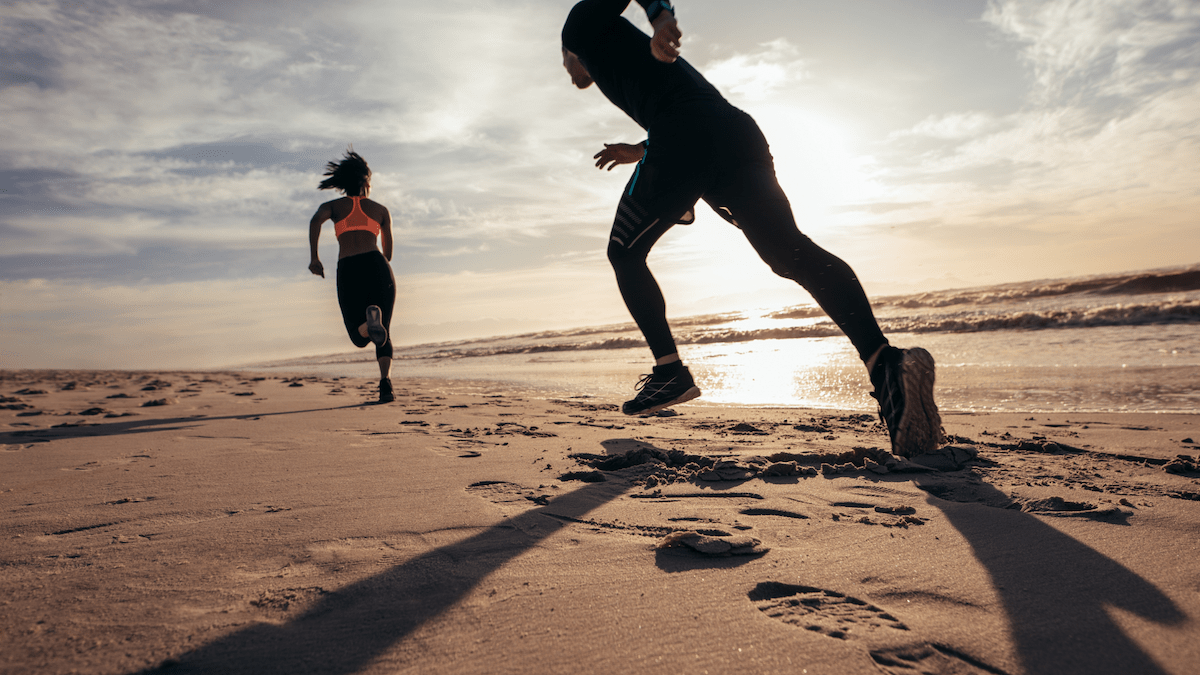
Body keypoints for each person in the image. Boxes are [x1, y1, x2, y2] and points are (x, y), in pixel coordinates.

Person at [561, 0, 942, 456]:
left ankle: (669, 371)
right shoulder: (626, 60)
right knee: (789, 254)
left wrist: (661, 16)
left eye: (566, 66)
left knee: (624, 253)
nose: (571, 76)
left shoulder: (581, 21)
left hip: (682, 136)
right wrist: (642, 150)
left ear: (571, 49)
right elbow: (686, 107)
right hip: (735, 133)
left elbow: (676, 118)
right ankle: (886, 364)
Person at [308, 149, 397, 404]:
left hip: (348, 269)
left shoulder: (333, 207)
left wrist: (315, 258)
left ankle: (366, 325)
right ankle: (385, 384)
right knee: (385, 333)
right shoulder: (380, 210)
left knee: (359, 337)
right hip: (377, 265)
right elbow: (388, 254)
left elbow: (316, 221)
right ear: (366, 183)